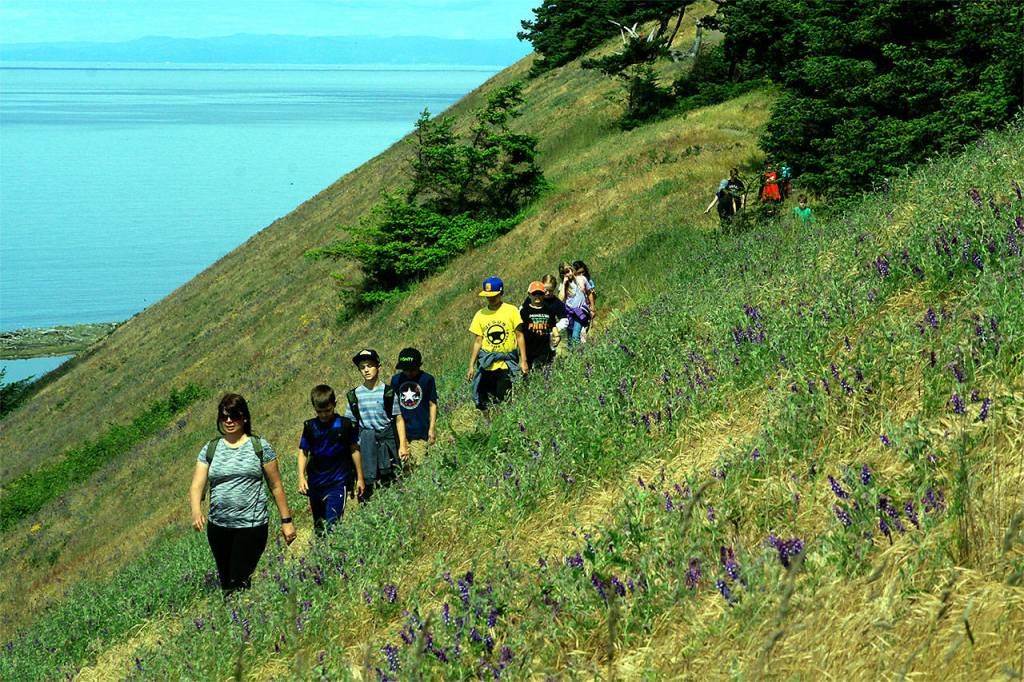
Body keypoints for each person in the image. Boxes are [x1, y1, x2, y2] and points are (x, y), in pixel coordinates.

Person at [189, 393, 295, 597]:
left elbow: (276, 486)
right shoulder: (210, 449)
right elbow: (197, 485)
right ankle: (239, 623)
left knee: (239, 581)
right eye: (224, 416)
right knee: (227, 584)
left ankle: (243, 622)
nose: (229, 421)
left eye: (234, 416)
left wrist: (286, 521)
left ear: (244, 417)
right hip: (219, 527)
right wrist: (196, 511)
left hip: (251, 526)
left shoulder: (260, 447)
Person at [297, 384, 364, 537]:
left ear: (334, 404)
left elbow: (354, 450)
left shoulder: (346, 425)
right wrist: (301, 477)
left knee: (333, 525)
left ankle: (336, 557)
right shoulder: (310, 427)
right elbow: (303, 451)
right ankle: (323, 558)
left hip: (338, 482)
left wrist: (360, 477)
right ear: (314, 408)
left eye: (328, 410)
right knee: (320, 529)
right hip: (316, 483)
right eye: (319, 412)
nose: (324, 415)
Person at [346, 349, 407, 502]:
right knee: (368, 485)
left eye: (370, 365)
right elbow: (350, 425)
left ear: (378, 367)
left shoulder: (388, 392)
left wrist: (403, 445)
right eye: (362, 367)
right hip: (366, 444)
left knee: (393, 479)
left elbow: (398, 419)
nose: (366, 370)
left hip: (388, 443)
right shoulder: (355, 395)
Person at [467, 276, 528, 411]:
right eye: (488, 296)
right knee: (483, 400)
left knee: (503, 399)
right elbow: (478, 341)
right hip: (487, 364)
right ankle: (489, 425)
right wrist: (471, 365)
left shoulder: (511, 311)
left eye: (494, 295)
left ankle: (503, 424)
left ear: (501, 293)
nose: (491, 298)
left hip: (505, 364)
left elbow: (519, 335)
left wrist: (523, 360)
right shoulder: (480, 315)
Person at [390, 347, 438, 470]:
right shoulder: (396, 381)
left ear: (419, 365)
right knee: (405, 466)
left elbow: (432, 404)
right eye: (405, 370)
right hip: (403, 431)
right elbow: (394, 408)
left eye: (412, 369)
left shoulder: (427, 379)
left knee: (420, 466)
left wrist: (432, 428)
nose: (409, 373)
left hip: (421, 429)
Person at [519, 281, 561, 370]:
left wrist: (557, 336)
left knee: (542, 371)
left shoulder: (548, 310)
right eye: (534, 294)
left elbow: (553, 325)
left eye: (540, 293)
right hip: (529, 350)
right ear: (529, 295)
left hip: (544, 349)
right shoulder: (524, 311)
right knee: (527, 375)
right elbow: (519, 332)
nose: (537, 296)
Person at [559, 262, 592, 347]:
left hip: (581, 312)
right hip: (570, 313)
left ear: (572, 270)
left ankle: (578, 353)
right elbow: (560, 299)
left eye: (567, 271)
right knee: (570, 337)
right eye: (563, 273)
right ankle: (573, 354)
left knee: (575, 335)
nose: (566, 274)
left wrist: (592, 307)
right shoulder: (563, 285)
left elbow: (589, 292)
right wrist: (564, 284)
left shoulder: (581, 279)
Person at [572, 260, 597, 343]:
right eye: (579, 273)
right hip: (576, 310)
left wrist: (592, 308)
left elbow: (592, 296)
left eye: (583, 272)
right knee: (577, 332)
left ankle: (581, 349)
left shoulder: (588, 281)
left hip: (587, 310)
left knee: (583, 331)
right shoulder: (573, 283)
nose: (582, 275)